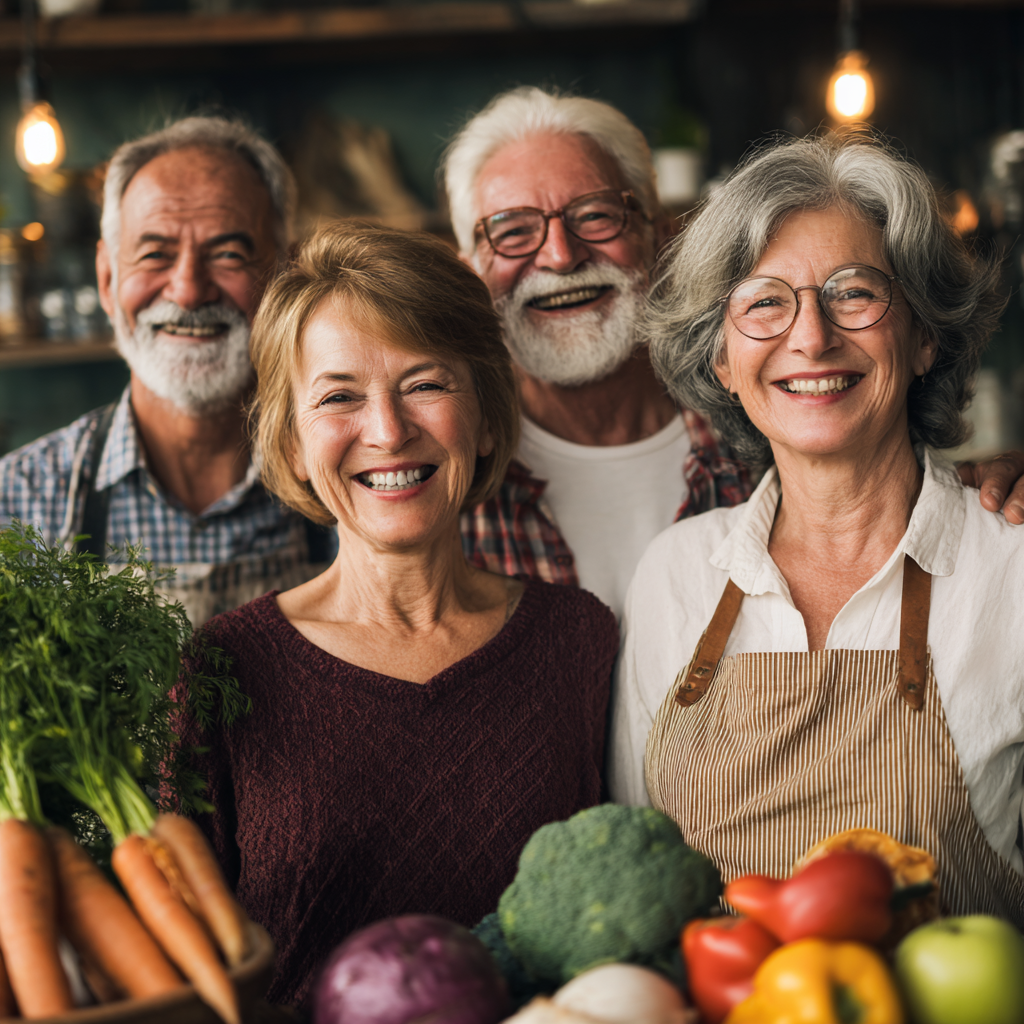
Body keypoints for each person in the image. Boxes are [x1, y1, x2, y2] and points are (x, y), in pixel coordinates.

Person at [178, 223, 619, 1006]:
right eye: (339, 396)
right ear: (289, 439)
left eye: (425, 383)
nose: (386, 431)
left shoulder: (579, 640)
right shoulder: (223, 669)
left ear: (485, 416)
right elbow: (183, 972)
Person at [610, 134, 1024, 922]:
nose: (810, 337)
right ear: (724, 360)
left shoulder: (1014, 567)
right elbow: (648, 890)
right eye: (765, 301)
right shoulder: (676, 574)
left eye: (854, 293)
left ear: (924, 336)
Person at [443, 87, 1024, 619]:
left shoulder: (781, 426)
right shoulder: (438, 481)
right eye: (512, 230)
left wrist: (993, 492)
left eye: (596, 215)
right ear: (468, 269)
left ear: (663, 233)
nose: (560, 256)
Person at [0, 116, 332, 624]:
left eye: (228, 253)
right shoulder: (19, 500)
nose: (188, 290)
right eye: (155, 254)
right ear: (107, 280)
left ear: (282, 276)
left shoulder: (348, 483)